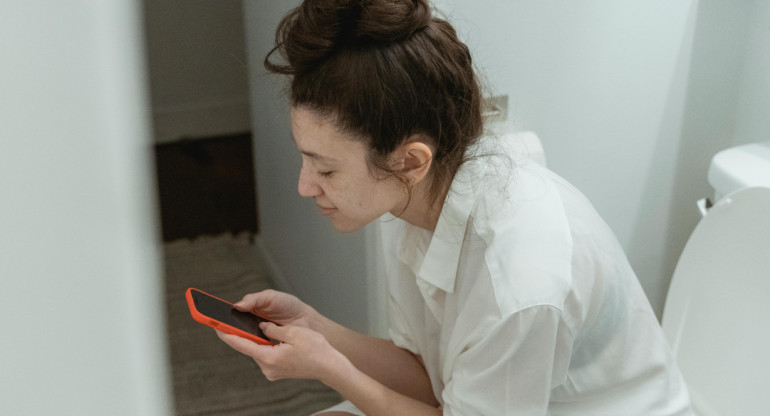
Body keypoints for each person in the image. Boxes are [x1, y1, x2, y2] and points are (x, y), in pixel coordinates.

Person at [215, 0, 693, 414]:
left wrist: (332, 370)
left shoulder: (518, 284)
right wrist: (315, 329)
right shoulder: (411, 201)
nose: (305, 186)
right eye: (306, 158)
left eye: (327, 169)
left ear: (410, 161)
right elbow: (429, 376)